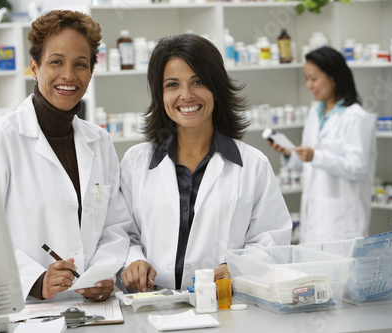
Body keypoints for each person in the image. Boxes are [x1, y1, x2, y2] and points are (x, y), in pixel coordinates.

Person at [0, 10, 131, 302]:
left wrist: (102, 273)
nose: (68, 75)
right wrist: (35, 280)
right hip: (26, 308)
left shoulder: (99, 141)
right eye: (56, 62)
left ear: (91, 71)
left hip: (93, 307)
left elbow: (115, 226)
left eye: (81, 64)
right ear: (34, 68)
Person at [119, 33, 292, 292]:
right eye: (172, 85)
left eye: (198, 82)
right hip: (152, 306)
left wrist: (239, 267)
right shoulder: (135, 162)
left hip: (223, 308)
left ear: (216, 88)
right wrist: (134, 261)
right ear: (160, 94)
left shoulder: (253, 164)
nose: (186, 95)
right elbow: (122, 233)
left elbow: (272, 241)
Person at [268, 46, 376, 244]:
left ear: (333, 77)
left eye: (314, 78)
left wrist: (315, 156)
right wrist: (288, 153)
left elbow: (357, 167)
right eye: (307, 79)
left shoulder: (357, 117)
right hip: (312, 221)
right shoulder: (315, 113)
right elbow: (308, 165)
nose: (309, 85)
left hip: (342, 225)